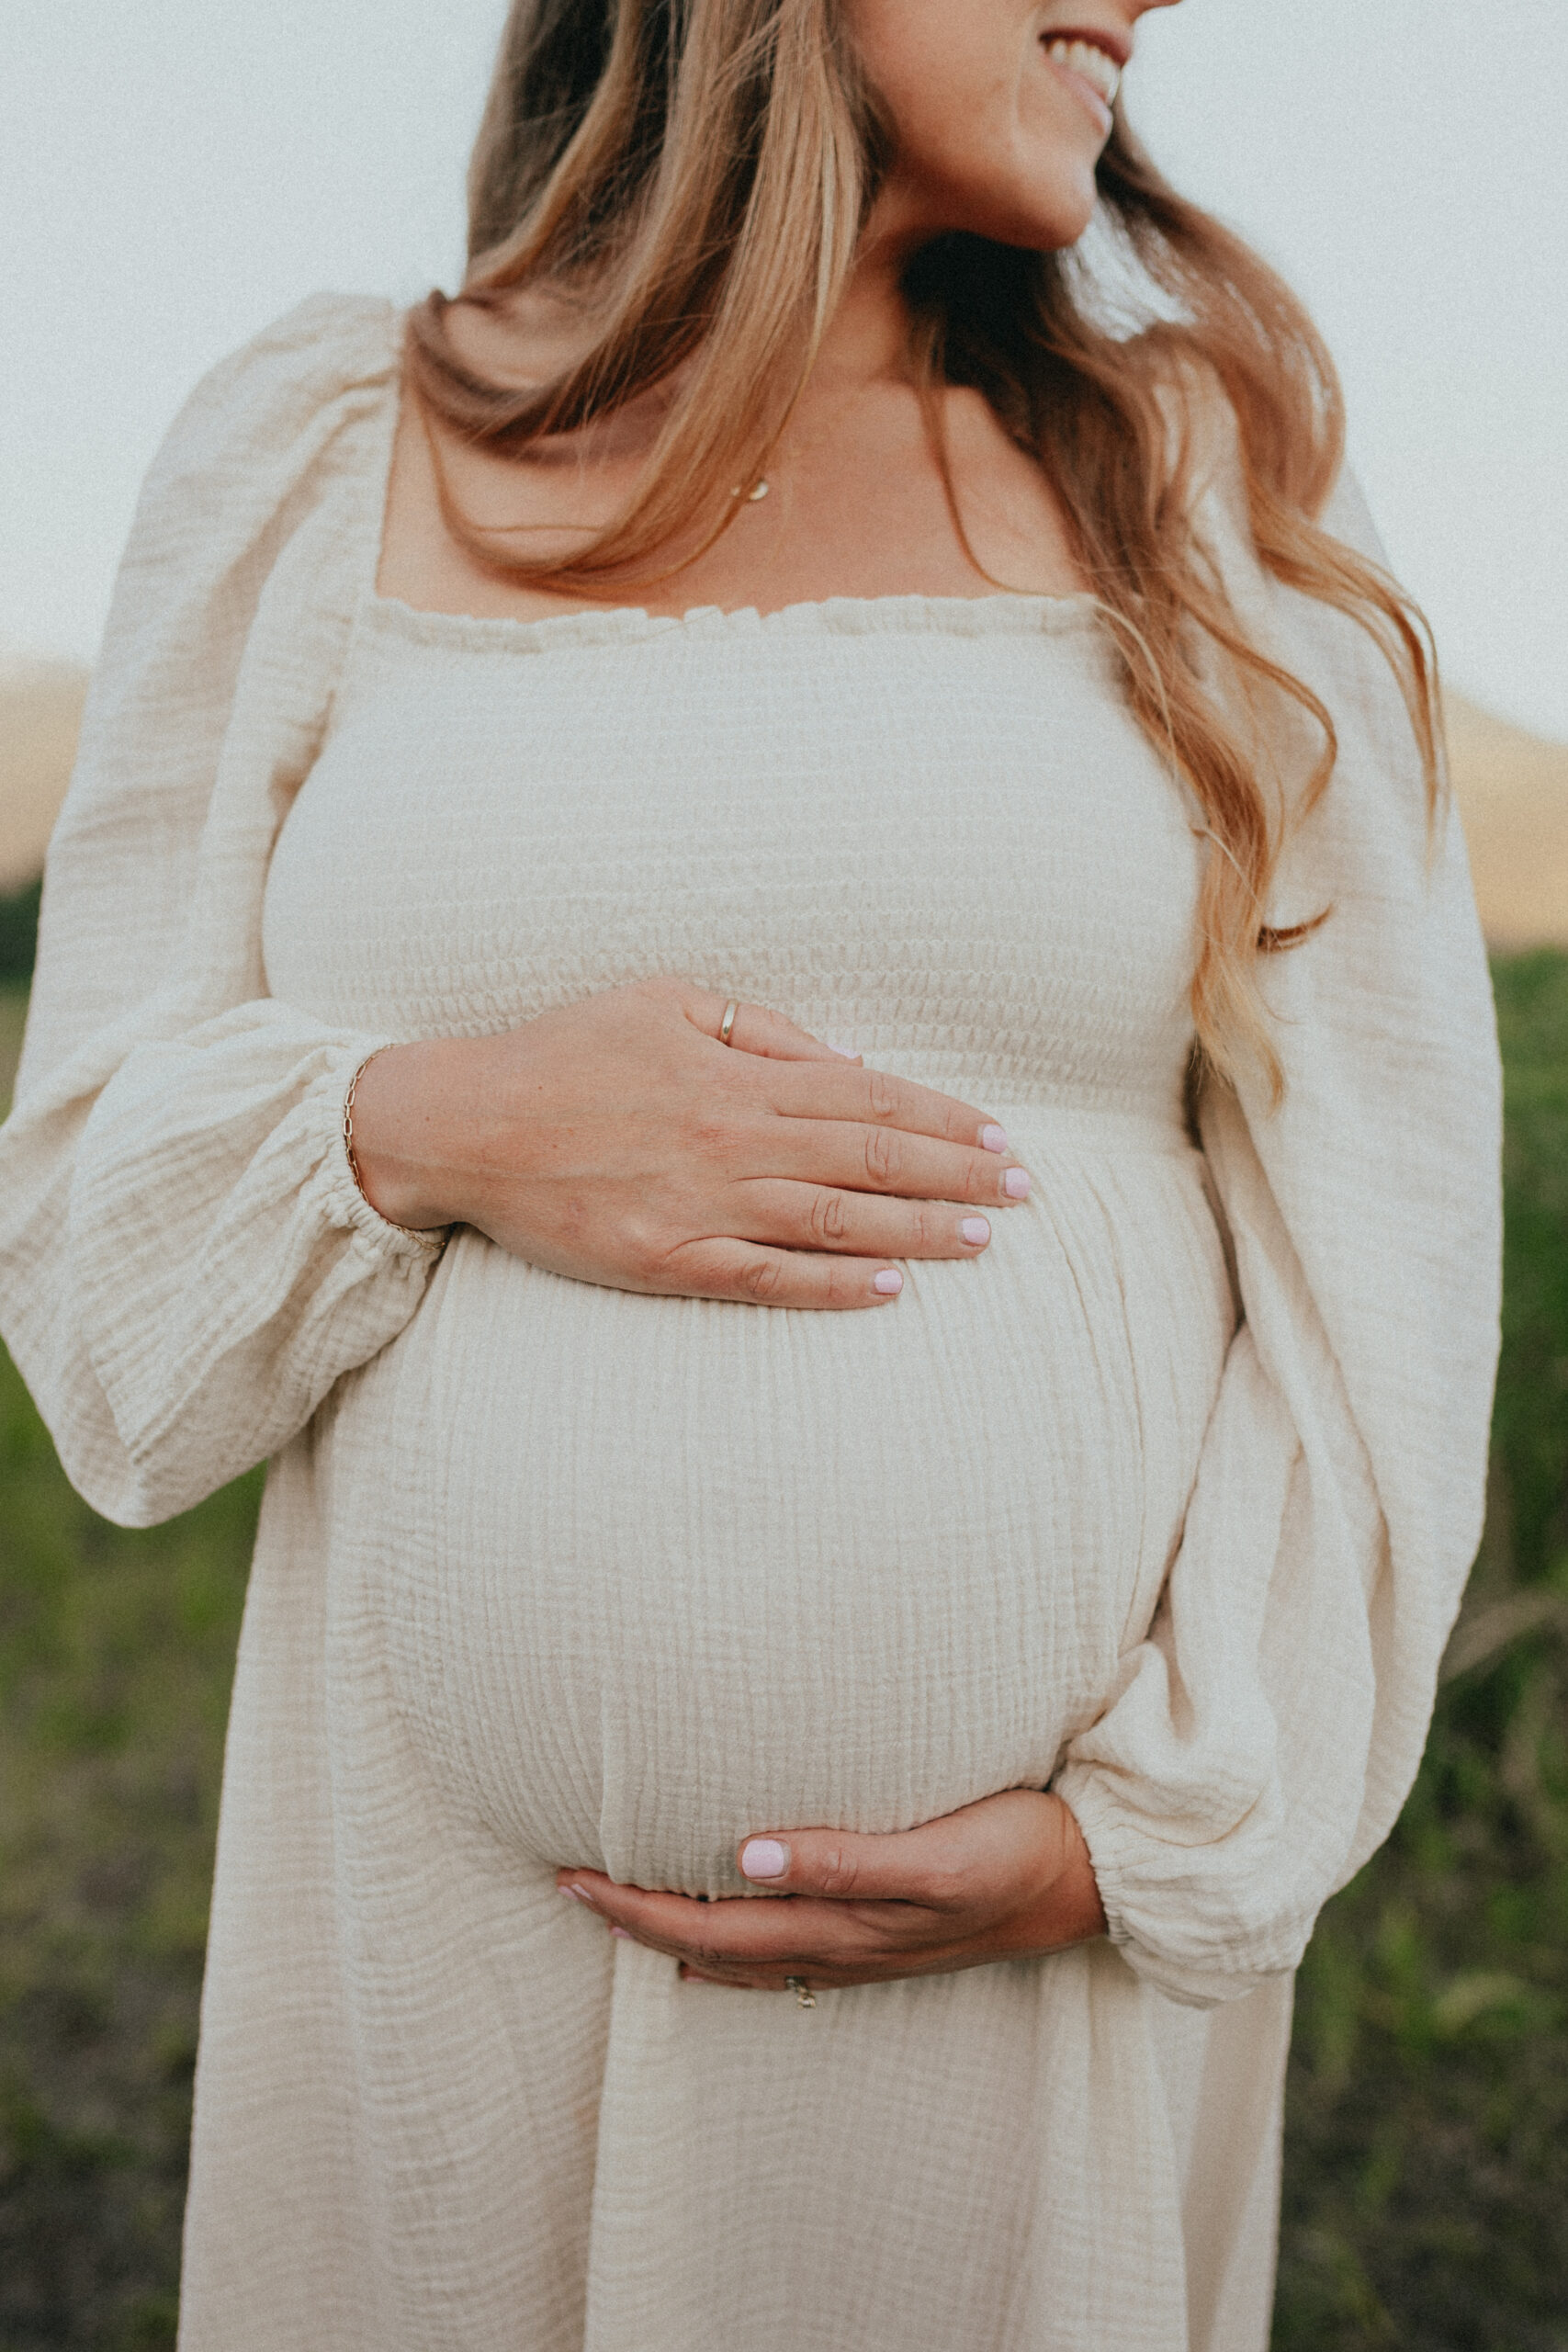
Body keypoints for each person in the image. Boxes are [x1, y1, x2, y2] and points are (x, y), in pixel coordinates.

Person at [0, 2, 1501, 2346]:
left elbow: (1384, 1259)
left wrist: (1151, 1830)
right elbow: (104, 1296)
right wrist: (446, 1119)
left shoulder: (1193, 477)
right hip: (441, 1954)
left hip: (1008, 2007)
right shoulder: (324, 449)